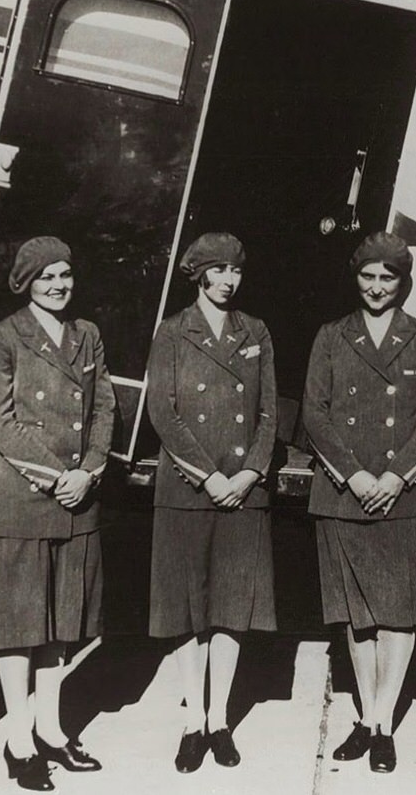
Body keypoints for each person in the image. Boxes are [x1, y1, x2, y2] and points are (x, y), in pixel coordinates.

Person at [304, 232, 416, 774]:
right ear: (355, 277)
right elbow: (315, 412)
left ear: (403, 282)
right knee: (356, 614)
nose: (377, 287)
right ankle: (367, 716)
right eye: (368, 276)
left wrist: (394, 476)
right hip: (346, 491)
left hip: (402, 494)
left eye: (388, 277)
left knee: (398, 611)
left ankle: (383, 722)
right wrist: (356, 475)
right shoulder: (331, 335)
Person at [0, 237, 113, 791]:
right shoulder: (2, 337)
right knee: (18, 624)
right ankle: (19, 740)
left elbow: (104, 407)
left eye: (65, 274)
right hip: (26, 497)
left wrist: (92, 470)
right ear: (26, 283)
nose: (59, 285)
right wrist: (59, 476)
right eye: (46, 277)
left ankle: (52, 730)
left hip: (79, 497)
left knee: (62, 621)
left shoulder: (87, 334)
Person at [145, 233, 278, 773]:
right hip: (188, 489)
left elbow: (269, 411)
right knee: (187, 607)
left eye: (235, 271)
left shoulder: (256, 331)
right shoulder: (173, 331)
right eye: (218, 270)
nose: (228, 280)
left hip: (244, 490)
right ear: (198, 274)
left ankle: (219, 718)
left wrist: (248, 473)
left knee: (230, 606)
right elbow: (163, 410)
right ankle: (192, 721)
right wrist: (209, 476)